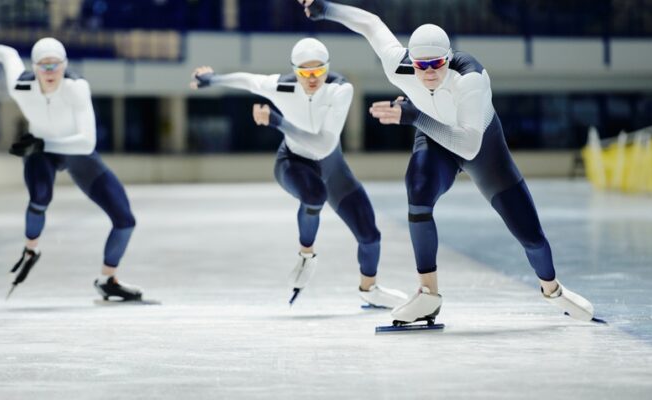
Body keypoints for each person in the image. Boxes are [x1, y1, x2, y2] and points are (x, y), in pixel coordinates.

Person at [298, 0, 596, 324]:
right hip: (434, 137)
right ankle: (428, 294)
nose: (427, 73)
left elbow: (468, 146)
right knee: (418, 188)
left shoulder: (470, 78)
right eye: (420, 65)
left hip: (482, 145)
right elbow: (370, 23)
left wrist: (413, 117)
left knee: (530, 234)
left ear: (448, 57)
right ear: (410, 61)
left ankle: (552, 289)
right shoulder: (397, 64)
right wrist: (324, 8)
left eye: (436, 64)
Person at [190, 38, 407, 308]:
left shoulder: (340, 90)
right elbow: (249, 80)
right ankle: (307, 254)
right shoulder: (282, 86)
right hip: (293, 163)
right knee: (315, 195)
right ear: (295, 70)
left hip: (333, 165)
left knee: (370, 236)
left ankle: (368, 288)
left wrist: (277, 122)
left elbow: (325, 144)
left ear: (328, 68)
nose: (313, 78)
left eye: (319, 71)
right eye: (305, 72)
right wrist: (213, 79)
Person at [0, 37, 143, 301]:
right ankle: (31, 250)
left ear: (65, 65)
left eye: (55, 66)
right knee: (39, 199)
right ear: (35, 67)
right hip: (41, 153)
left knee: (125, 220)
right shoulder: (21, 86)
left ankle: (108, 279)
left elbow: (87, 142)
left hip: (73, 151)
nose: (50, 73)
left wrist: (42, 143)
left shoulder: (76, 88)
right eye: (44, 66)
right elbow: (9, 53)